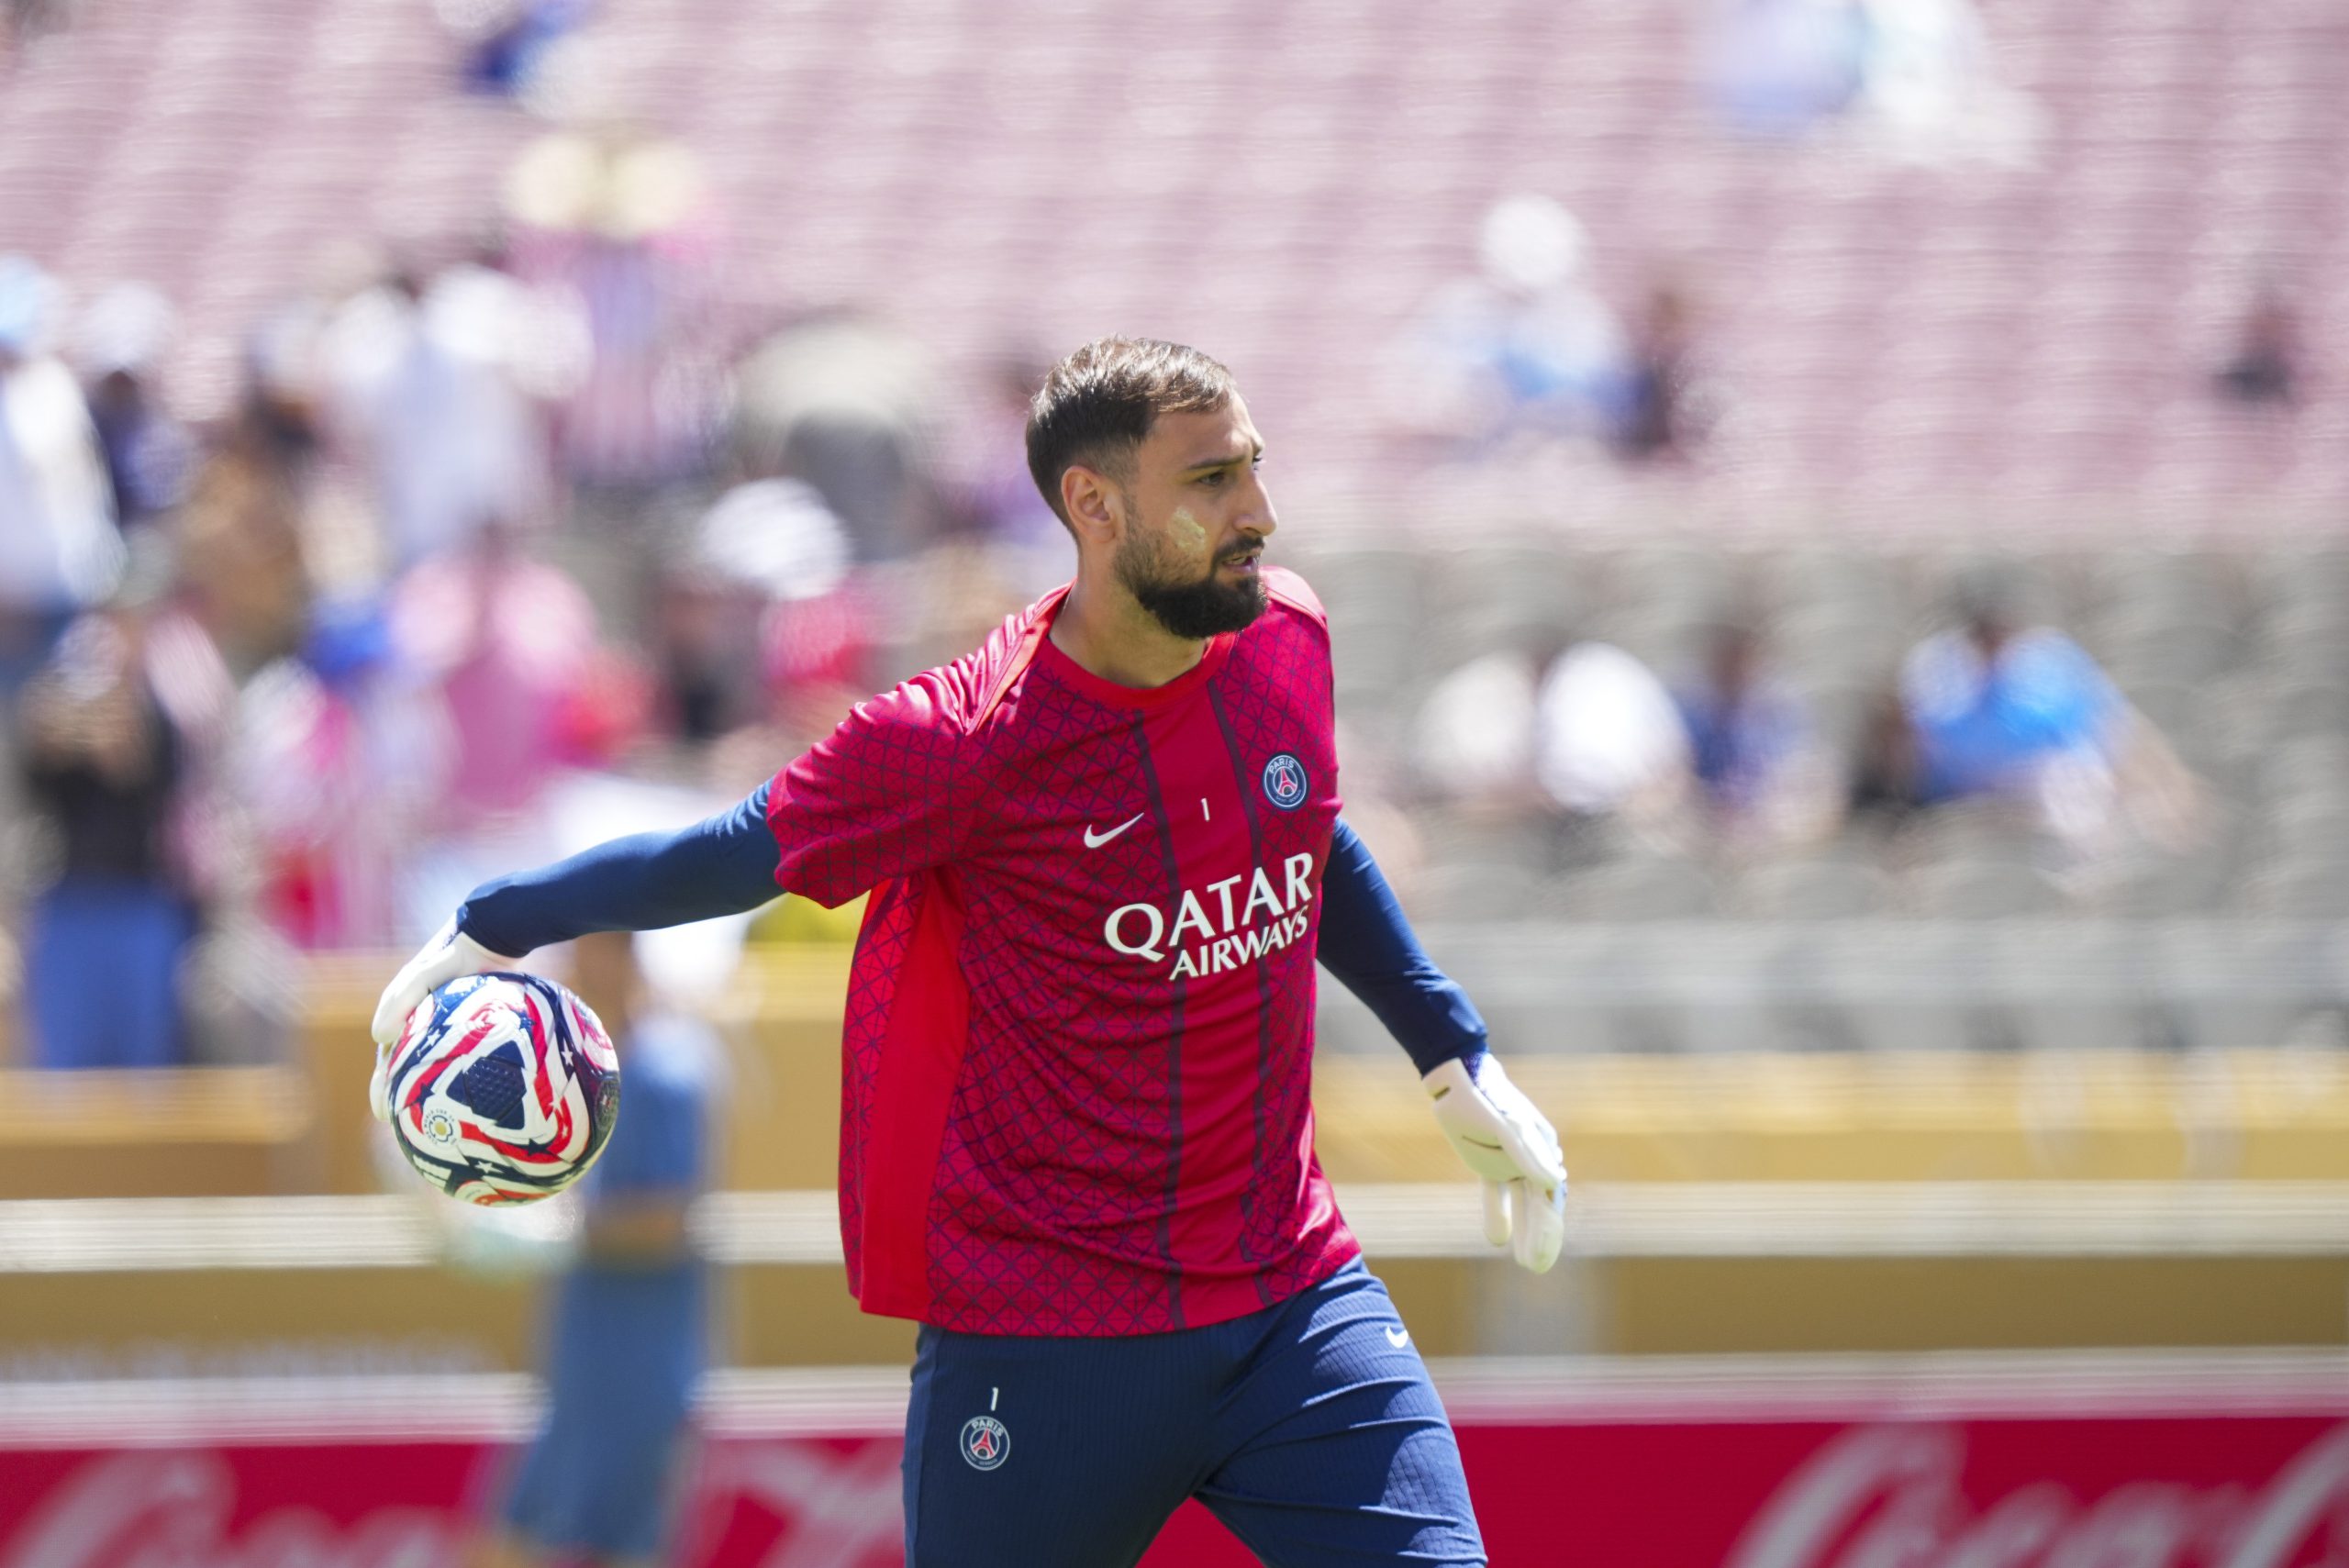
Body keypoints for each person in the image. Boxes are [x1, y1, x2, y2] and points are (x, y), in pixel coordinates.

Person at [373, 338, 1564, 1568]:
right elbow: (728, 853)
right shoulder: (959, 742)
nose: (1259, 511)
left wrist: (1450, 1051)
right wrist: (495, 920)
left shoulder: (1285, 638)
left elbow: (1303, 831)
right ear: (1093, 506)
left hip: (1290, 1299)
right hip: (1045, 1340)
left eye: (1254, 468)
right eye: (1214, 480)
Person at [476, 929, 714, 1568]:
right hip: (580, 1364)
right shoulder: (570, 1073)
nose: (570, 964)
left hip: (643, 1367)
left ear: (622, 953)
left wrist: (552, 1225)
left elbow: (666, 1222)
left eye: (586, 945)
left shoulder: (668, 1069)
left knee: (616, 1546)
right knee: (510, 1534)